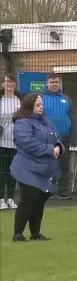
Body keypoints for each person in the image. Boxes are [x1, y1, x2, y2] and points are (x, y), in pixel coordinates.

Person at [10, 93, 64, 242]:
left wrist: (59, 147)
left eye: (42, 105)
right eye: (38, 105)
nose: (41, 108)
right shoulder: (23, 123)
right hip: (27, 168)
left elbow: (56, 137)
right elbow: (27, 143)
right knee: (28, 200)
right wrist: (50, 150)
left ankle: (35, 233)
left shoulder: (45, 121)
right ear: (30, 106)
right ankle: (18, 233)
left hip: (45, 169)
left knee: (39, 200)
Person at [42, 72, 74, 200]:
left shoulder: (66, 99)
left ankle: (64, 190)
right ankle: (47, 189)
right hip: (47, 138)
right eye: (52, 82)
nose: (54, 84)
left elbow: (72, 117)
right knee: (47, 164)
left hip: (64, 137)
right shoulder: (41, 98)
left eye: (56, 82)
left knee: (64, 165)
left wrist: (73, 135)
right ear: (47, 84)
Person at [0, 74, 23, 210]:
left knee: (13, 172)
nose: (9, 84)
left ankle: (10, 198)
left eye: (11, 81)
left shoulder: (20, 100)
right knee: (1, 171)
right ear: (2, 84)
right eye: (6, 82)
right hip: (1, 142)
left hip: (16, 143)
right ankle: (1, 199)